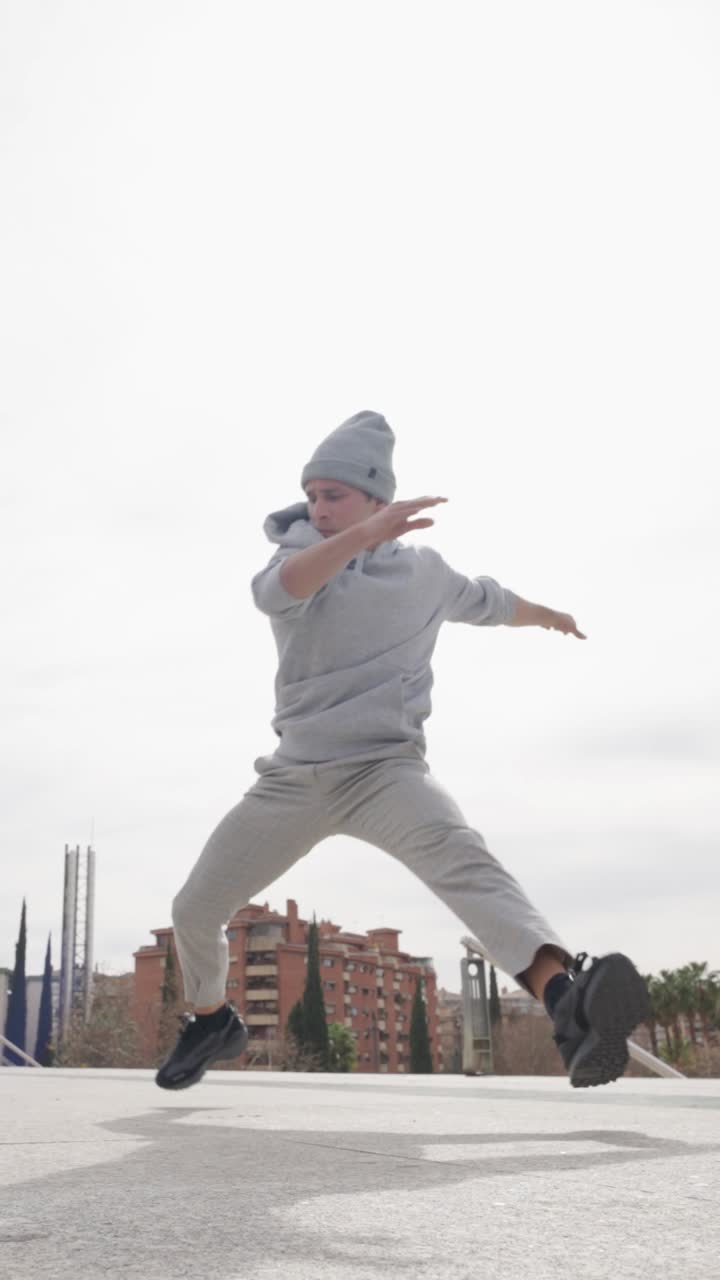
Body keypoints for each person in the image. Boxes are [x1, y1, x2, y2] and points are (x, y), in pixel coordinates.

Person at [156, 410, 650, 1092]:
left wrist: (551, 617)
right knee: (195, 906)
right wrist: (359, 536)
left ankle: (567, 1003)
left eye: (336, 495)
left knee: (469, 866)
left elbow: (492, 601)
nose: (319, 508)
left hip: (386, 771)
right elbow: (280, 591)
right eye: (313, 495)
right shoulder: (296, 558)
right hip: (295, 778)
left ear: (377, 497)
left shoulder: (425, 572)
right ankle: (212, 1020)